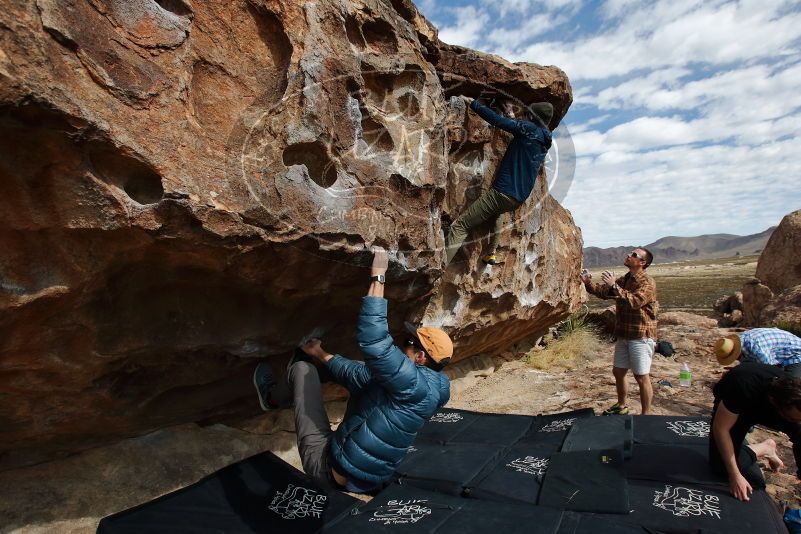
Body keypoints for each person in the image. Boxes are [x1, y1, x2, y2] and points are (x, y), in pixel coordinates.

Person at [252, 247, 452, 493]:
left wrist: (378, 275)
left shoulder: (412, 383)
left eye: (408, 344)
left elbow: (375, 340)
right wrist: (321, 354)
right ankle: (312, 364)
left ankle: (271, 397)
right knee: (350, 370)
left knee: (302, 369)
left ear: (421, 357)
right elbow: (356, 373)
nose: (403, 344)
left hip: (327, 467)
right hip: (358, 475)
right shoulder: (430, 388)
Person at [445, 96, 553, 266]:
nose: (523, 116)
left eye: (526, 114)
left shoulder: (529, 129)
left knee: (461, 226)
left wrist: (473, 103)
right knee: (496, 211)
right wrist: (510, 115)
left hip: (503, 192)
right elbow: (519, 130)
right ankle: (491, 252)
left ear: (532, 117)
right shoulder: (544, 140)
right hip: (517, 198)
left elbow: (497, 121)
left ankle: (437, 273)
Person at [580, 248, 658, 415]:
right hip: (624, 333)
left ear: (642, 263)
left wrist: (614, 285)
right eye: (630, 253)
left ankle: (647, 415)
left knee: (641, 376)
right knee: (619, 371)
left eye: (634, 255)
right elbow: (605, 292)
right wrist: (588, 282)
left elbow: (636, 301)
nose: (629, 256)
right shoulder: (626, 279)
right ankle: (622, 406)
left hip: (640, 335)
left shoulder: (647, 282)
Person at [709, 362, 801, 501]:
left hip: (773, 406)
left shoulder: (795, 399)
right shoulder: (742, 386)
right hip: (741, 408)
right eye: (791, 418)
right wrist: (735, 475)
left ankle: (767, 448)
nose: (795, 422)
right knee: (721, 468)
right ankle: (765, 448)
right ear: (776, 404)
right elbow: (721, 429)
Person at [715, 328, 801, 377]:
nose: (735, 359)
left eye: (733, 357)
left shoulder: (756, 347)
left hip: (795, 354)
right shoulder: (741, 342)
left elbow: (768, 370)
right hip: (779, 353)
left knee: (790, 385)